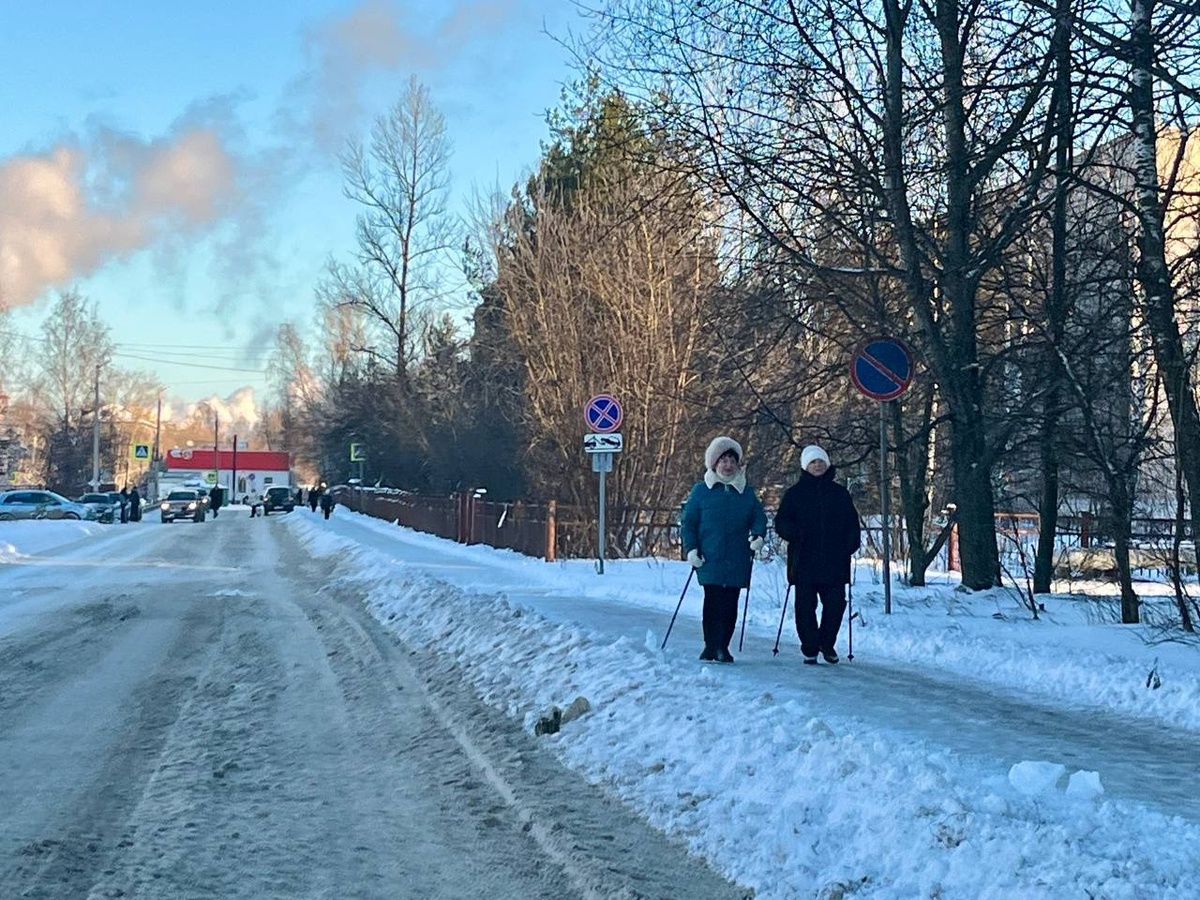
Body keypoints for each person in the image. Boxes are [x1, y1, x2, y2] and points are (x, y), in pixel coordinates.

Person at [679, 436, 767, 663]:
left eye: (732, 461)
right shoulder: (701, 491)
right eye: (724, 460)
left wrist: (757, 535)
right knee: (713, 601)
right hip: (710, 556)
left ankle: (723, 646)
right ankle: (711, 645)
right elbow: (688, 523)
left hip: (737, 557)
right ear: (714, 463)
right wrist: (691, 549)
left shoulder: (746, 492)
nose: (728, 465)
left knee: (730, 603)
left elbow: (758, 517)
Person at [773, 445, 861, 665]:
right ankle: (810, 646)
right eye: (813, 462)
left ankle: (827, 643)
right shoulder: (795, 494)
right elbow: (781, 522)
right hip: (804, 559)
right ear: (805, 466)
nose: (818, 465)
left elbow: (852, 523)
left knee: (836, 604)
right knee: (805, 607)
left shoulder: (840, 494)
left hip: (835, 560)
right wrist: (794, 533)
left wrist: (850, 543)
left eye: (821, 461)